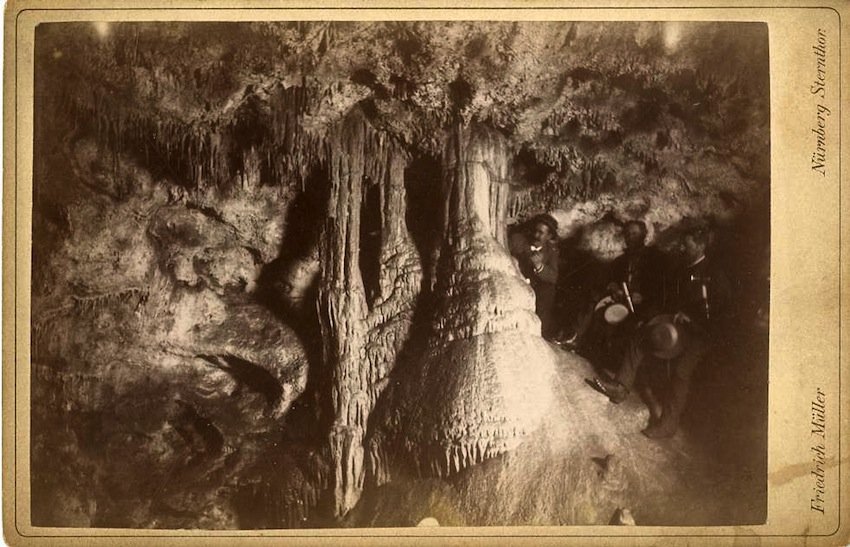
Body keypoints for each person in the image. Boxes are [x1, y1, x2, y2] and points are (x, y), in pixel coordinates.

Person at [587, 224, 731, 439]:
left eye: (687, 242)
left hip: (703, 334)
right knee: (639, 337)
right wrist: (648, 319)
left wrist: (693, 320)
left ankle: (668, 424)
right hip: (675, 327)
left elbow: (724, 314)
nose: (682, 246)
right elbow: (664, 299)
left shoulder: (713, 274)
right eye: (683, 242)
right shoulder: (682, 270)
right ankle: (620, 387)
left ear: (700, 245)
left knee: (682, 371)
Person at [569, 220, 665, 370]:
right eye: (628, 234)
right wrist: (613, 286)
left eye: (635, 234)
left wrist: (643, 296)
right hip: (622, 300)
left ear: (644, 236)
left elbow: (659, 287)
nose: (630, 237)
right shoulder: (621, 260)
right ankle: (579, 341)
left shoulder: (655, 259)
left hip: (643, 307)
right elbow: (609, 279)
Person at [518, 213, 560, 340]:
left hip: (538, 292)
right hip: (519, 284)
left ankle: (539, 336)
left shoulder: (551, 252)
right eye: (536, 231)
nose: (536, 235)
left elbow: (553, 277)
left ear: (549, 236)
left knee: (548, 290)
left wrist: (539, 266)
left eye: (541, 233)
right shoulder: (519, 242)